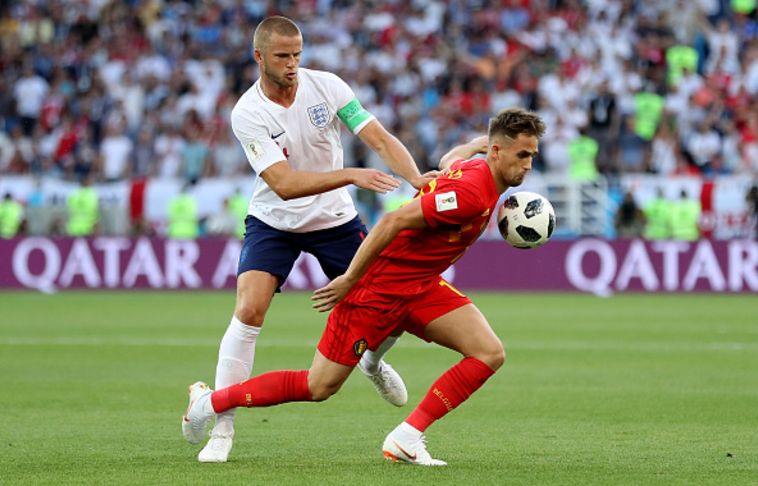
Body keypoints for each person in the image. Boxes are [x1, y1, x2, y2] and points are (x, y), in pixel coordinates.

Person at [182, 108, 546, 466]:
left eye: (532, 155)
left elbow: (449, 159)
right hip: (378, 289)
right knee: (319, 386)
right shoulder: (472, 194)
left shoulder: (477, 169)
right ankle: (208, 402)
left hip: (419, 286)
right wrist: (351, 279)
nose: (528, 164)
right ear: (498, 152)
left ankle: (406, 437)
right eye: (522, 155)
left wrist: (474, 144)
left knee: (488, 353)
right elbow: (392, 221)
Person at [195, 16, 435, 463]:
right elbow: (283, 184)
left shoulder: (327, 86)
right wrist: (350, 174)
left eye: (297, 55)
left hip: (335, 220)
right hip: (274, 220)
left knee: (394, 306)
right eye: (282, 56)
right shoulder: (248, 112)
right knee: (248, 309)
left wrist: (416, 177)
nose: (292, 64)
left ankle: (371, 361)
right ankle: (223, 428)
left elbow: (378, 137)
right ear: (259, 57)